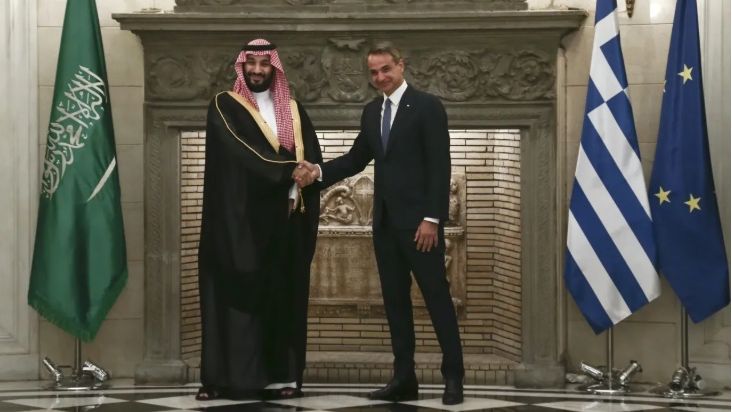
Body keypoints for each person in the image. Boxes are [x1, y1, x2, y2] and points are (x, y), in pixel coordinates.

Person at [294, 42, 464, 405]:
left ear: (401, 65)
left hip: (421, 227)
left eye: (386, 69)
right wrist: (317, 172)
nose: (380, 77)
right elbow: (356, 159)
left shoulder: (427, 107)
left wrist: (432, 219)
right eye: (373, 72)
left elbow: (440, 165)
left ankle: (453, 378)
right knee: (395, 304)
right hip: (385, 226)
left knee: (437, 300)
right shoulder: (373, 112)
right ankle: (404, 379)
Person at [197, 38, 322, 401]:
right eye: (250, 63)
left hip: (284, 223)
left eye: (263, 64)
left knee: (283, 297)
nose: (256, 70)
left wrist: (305, 175)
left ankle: (283, 378)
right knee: (233, 297)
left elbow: (311, 157)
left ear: (274, 68)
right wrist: (289, 170)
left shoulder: (294, 111)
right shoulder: (225, 105)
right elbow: (241, 151)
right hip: (238, 223)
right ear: (242, 66)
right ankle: (225, 379)